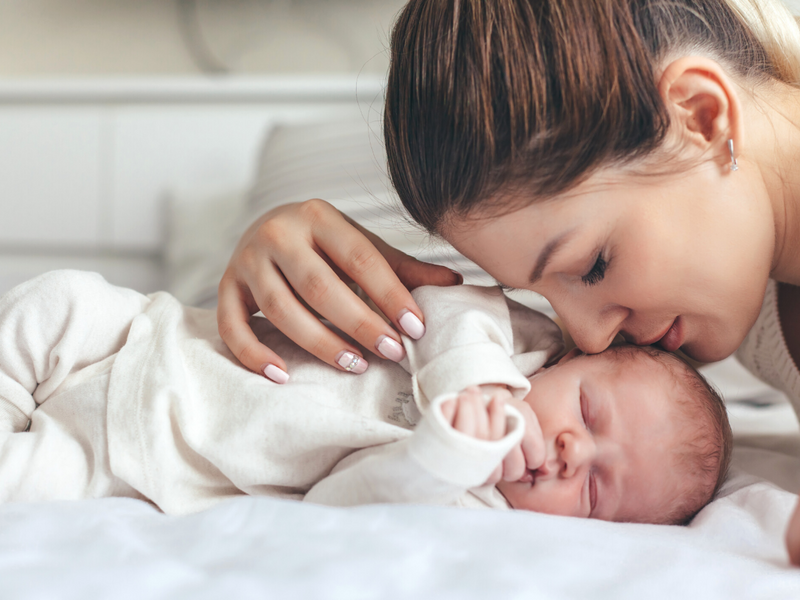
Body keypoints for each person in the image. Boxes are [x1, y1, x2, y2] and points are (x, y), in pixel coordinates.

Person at [214, 0, 800, 562]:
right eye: (540, 295)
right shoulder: (737, 277)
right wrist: (290, 246)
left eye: (594, 264)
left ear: (700, 114)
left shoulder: (717, 270)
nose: (590, 341)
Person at [0, 270, 729, 524]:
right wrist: (476, 379)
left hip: (136, 463)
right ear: (572, 359)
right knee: (57, 300)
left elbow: (340, 507)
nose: (574, 453)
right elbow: (440, 303)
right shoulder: (514, 342)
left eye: (598, 491)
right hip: (145, 338)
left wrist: (444, 458)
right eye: (589, 414)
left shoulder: (467, 505)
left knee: (23, 490)